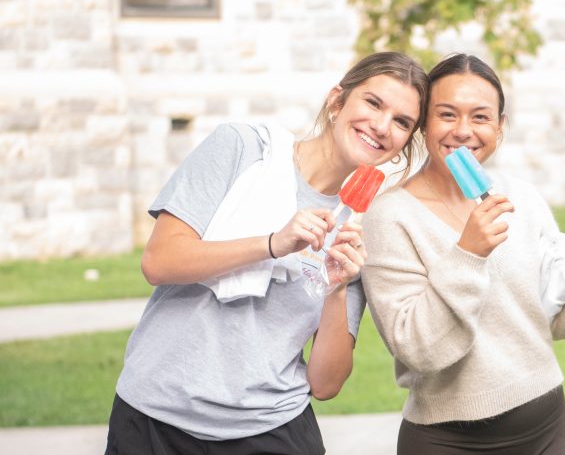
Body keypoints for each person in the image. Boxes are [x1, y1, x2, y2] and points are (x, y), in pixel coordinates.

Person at [105, 52, 429, 455]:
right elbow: (159, 261)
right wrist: (273, 243)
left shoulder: (357, 233)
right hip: (155, 417)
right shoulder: (243, 149)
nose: (381, 126)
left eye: (402, 122)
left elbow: (326, 384)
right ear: (336, 101)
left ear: (403, 145)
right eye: (373, 103)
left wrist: (337, 289)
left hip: (270, 427)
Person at [361, 53, 565, 455]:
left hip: (547, 427)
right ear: (423, 124)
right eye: (447, 115)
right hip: (445, 440)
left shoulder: (521, 198)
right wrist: (467, 253)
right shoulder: (390, 216)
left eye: (481, 117)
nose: (463, 131)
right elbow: (418, 349)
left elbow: (564, 323)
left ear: (500, 127)